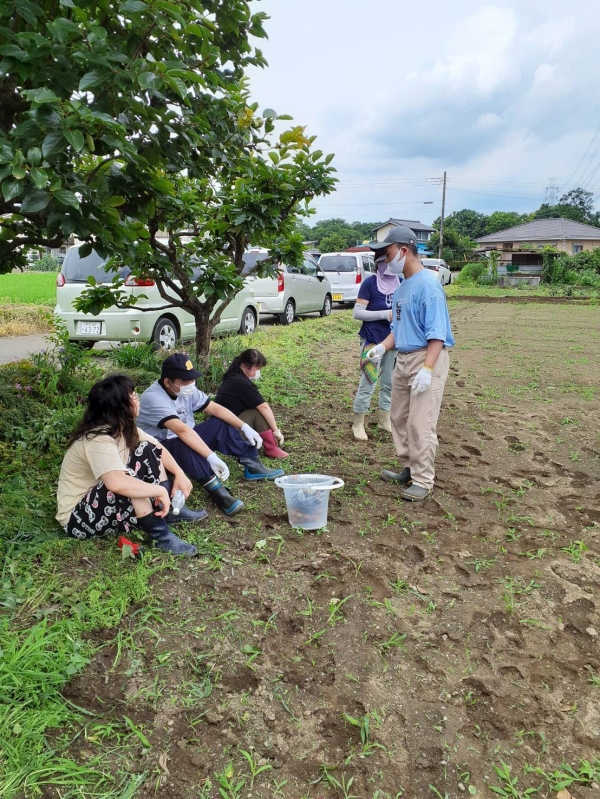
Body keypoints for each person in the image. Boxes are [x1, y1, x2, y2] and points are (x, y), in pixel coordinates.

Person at [56, 374, 200, 557]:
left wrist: (180, 474)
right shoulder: (98, 438)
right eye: (132, 396)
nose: (137, 399)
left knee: (147, 449)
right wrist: (159, 491)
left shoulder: (124, 428)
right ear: (119, 407)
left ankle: (168, 511)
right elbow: (117, 484)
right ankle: (161, 536)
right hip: (78, 518)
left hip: (101, 501)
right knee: (126, 478)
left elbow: (158, 448)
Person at [366, 225, 455, 501]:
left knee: (420, 422)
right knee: (399, 417)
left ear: (404, 250)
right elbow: (400, 329)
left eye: (387, 253)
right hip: (403, 359)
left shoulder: (429, 285)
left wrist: (427, 369)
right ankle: (409, 466)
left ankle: (424, 479)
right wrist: (381, 347)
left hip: (426, 357)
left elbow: (437, 334)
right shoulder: (403, 287)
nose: (384, 260)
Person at [136, 353, 284, 516]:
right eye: (185, 381)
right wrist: (211, 457)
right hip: (161, 450)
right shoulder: (153, 398)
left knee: (218, 423)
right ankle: (218, 492)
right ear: (167, 382)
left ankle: (252, 464)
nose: (191, 384)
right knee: (181, 444)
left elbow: (214, 408)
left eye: (192, 379)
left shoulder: (186, 390)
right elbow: (181, 431)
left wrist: (243, 426)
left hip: (184, 436)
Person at [351, 253, 399, 440]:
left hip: (394, 340)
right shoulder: (369, 283)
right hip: (372, 339)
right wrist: (384, 314)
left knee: (389, 381)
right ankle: (358, 422)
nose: (388, 266)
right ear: (377, 264)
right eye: (384, 262)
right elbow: (358, 313)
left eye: (390, 262)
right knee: (368, 381)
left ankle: (384, 419)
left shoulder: (401, 282)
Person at [215, 349, 288, 458]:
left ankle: (267, 444)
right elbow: (264, 407)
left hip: (220, 427)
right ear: (245, 366)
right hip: (227, 433)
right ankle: (271, 448)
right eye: (257, 368)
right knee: (256, 411)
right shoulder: (243, 383)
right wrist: (276, 431)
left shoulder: (234, 375)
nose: (258, 371)